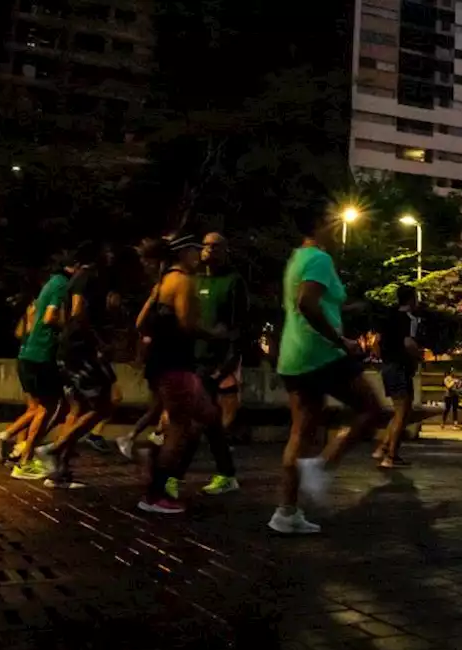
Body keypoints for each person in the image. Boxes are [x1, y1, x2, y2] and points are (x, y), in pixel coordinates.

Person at [269, 210, 384, 533]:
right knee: (371, 409)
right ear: (318, 225)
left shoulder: (297, 258)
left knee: (301, 431)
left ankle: (286, 512)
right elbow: (307, 303)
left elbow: (311, 301)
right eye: (332, 221)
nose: (337, 227)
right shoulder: (319, 258)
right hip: (319, 352)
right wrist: (341, 340)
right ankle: (322, 464)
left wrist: (348, 309)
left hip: (293, 356)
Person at [134, 235, 229, 514]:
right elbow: (188, 325)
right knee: (178, 428)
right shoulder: (184, 281)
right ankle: (155, 493)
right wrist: (215, 333)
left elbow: (140, 323)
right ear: (186, 253)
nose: (200, 255)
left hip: (160, 364)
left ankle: (152, 458)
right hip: (176, 363)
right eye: (197, 250)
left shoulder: (162, 283)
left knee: (208, 414)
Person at [37, 245, 121, 489]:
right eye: (108, 253)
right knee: (105, 404)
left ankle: (61, 472)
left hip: (72, 350)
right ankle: (54, 449)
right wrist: (99, 342)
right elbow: (77, 314)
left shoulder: (78, 279)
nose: (111, 257)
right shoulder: (87, 278)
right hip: (80, 352)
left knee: (79, 408)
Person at [0, 259, 75, 479]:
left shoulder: (35, 303)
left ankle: (12, 441)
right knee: (44, 408)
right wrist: (69, 325)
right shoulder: (55, 292)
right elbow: (50, 318)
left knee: (37, 408)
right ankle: (21, 452)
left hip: (27, 355)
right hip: (39, 356)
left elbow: (19, 333)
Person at [173, 232, 247, 495]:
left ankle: (174, 476)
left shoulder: (234, 282)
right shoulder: (194, 280)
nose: (209, 251)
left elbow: (238, 327)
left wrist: (227, 365)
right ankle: (226, 474)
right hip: (192, 359)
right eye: (205, 246)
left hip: (214, 362)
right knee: (208, 419)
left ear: (226, 250)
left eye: (216, 246)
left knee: (195, 419)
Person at [375, 284, 422, 469]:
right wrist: (418, 356)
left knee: (400, 411)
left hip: (388, 367)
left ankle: (383, 447)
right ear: (411, 299)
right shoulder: (409, 319)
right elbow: (409, 343)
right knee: (403, 413)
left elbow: (377, 343)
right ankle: (391, 456)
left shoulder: (389, 317)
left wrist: (385, 358)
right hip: (400, 368)